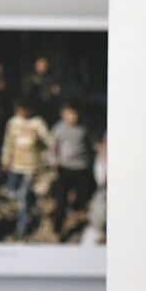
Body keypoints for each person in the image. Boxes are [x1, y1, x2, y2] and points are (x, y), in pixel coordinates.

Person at [0, 99, 51, 239]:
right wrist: (5, 160)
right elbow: (8, 142)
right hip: (16, 166)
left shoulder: (37, 123)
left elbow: (49, 140)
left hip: (32, 167)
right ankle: (30, 207)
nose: (22, 112)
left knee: (23, 197)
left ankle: (21, 228)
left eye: (24, 109)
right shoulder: (12, 123)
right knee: (12, 193)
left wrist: (47, 154)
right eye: (19, 109)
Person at [48, 102, 95, 238]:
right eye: (69, 113)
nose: (72, 117)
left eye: (74, 113)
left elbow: (89, 146)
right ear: (63, 114)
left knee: (82, 196)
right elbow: (53, 148)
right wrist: (54, 162)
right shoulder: (58, 129)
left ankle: (77, 211)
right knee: (61, 200)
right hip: (64, 168)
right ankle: (57, 229)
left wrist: (92, 162)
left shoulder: (83, 128)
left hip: (82, 168)